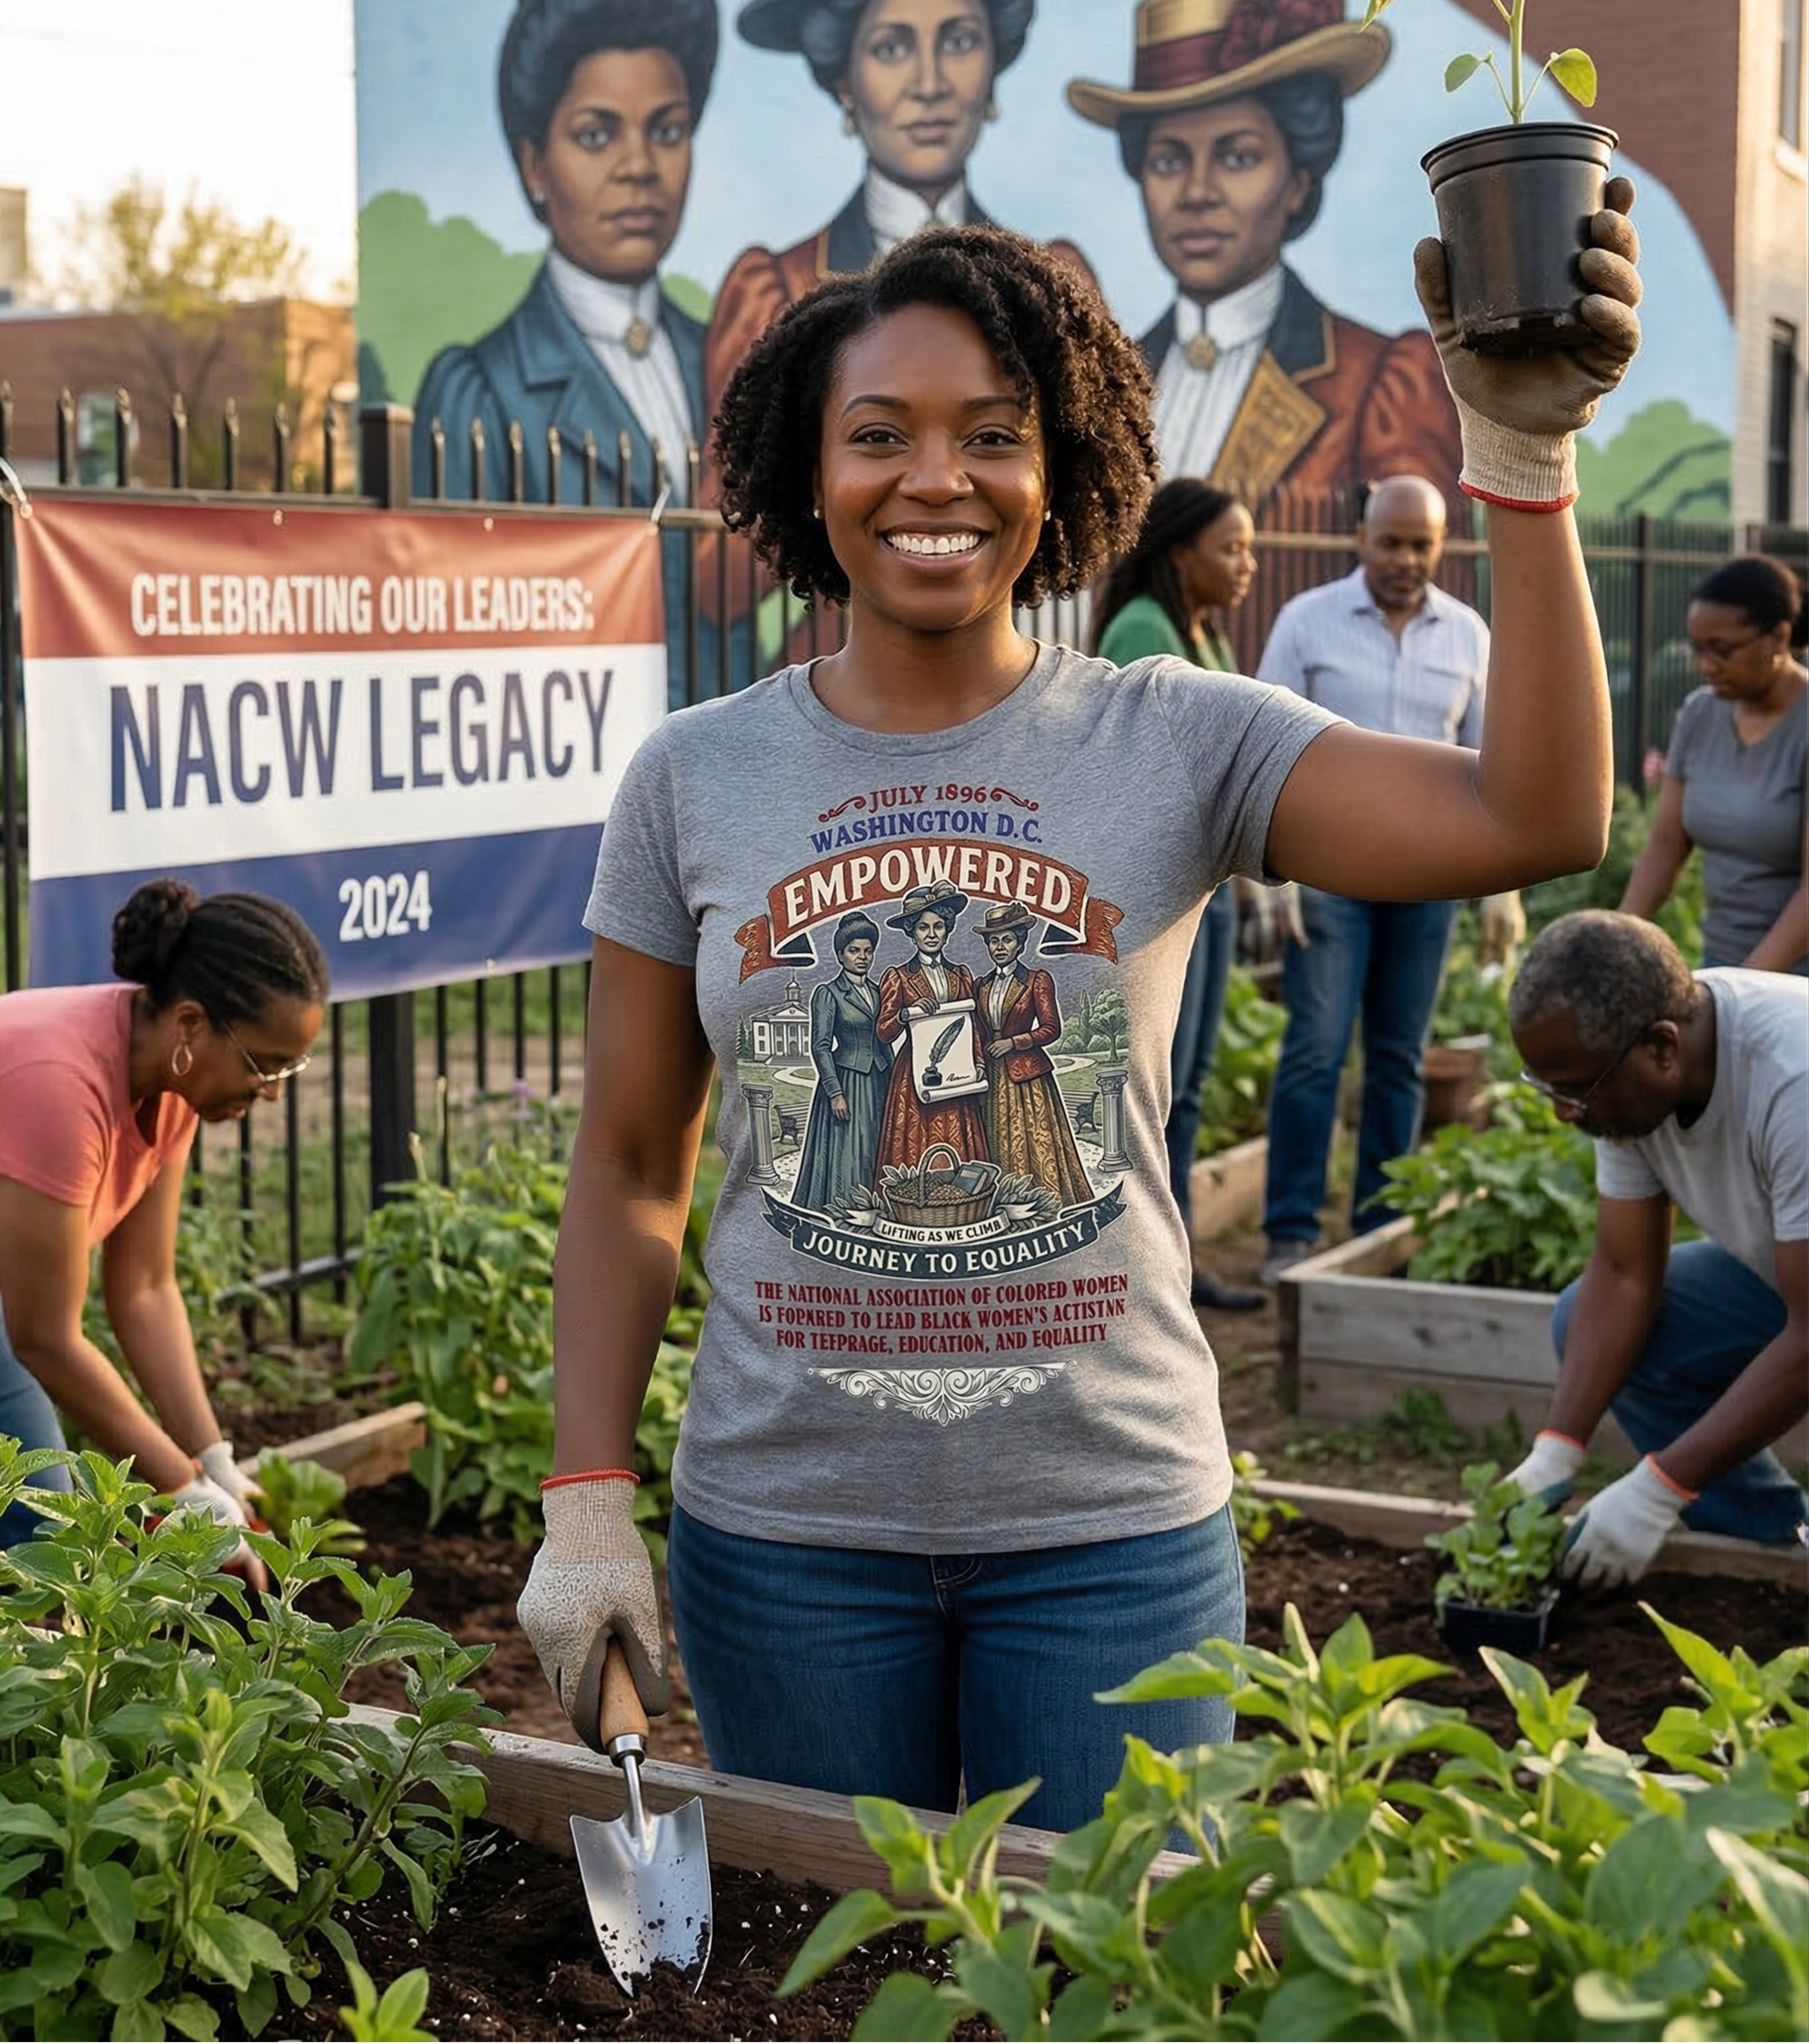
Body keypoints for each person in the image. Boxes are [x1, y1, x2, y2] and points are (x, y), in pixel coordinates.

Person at [516, 196, 1641, 1832]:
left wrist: (1521, 464)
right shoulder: (693, 778)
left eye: (992, 433)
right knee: (853, 1989)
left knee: (1120, 1986)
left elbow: (1534, 815)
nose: (936, 478)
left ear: (1063, 467)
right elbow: (629, 1158)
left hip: (1113, 1532)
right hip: (789, 1536)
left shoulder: (1173, 737)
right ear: (804, 466)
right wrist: (585, 1494)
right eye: (878, 434)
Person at [411, 0, 717, 703]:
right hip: (574, 803)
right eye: (594, 134)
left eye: (668, 128)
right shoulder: (478, 391)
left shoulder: (727, 357)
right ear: (533, 165)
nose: (638, 166)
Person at [0, 879, 328, 1565]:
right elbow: (44, 1337)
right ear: (190, 1025)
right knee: (36, 1529)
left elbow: (144, 1287)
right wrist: (183, 1487)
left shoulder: (172, 1083)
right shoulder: (57, 1087)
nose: (275, 1092)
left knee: (49, 1533)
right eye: (265, 1065)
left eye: (292, 1068)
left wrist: (211, 1459)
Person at [704, 0, 1092, 417]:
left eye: (959, 40)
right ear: (844, 80)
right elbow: (732, 506)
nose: (929, 82)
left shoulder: (1054, 287)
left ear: (996, 58)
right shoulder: (773, 294)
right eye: (891, 47)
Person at [1066, 0, 1462, 519]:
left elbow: (1425, 596)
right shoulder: (1119, 378)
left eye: (1237, 157)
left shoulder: (1376, 380)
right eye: (1169, 162)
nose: (1197, 193)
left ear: (1298, 180)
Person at [1504, 910, 1807, 1582]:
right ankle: (1773, 1548)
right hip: (1792, 1281)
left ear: (1662, 1048)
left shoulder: (1794, 1076)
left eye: (1575, 1087)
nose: (1564, 1111)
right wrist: (1557, 1448)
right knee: (1594, 1317)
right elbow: (1623, 1274)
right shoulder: (1634, 1078)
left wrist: (1661, 1484)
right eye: (1548, 1088)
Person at [1252, 478, 1504, 1276]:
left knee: (1400, 1056)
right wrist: (1271, 874)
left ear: (1442, 544)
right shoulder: (1307, 622)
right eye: (1389, 541)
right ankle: (1290, 1231)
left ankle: (1376, 1232)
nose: (1404, 559)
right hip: (1325, 878)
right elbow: (1259, 750)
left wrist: (1501, 886)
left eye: (1419, 544)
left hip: (1428, 885)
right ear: (1360, 536)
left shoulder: (1468, 635)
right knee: (1316, 1052)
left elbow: (1498, 773)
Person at [1092, 477, 1264, 1312]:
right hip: (1164, 903)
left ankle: (1178, 1264)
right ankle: (1148, 1270)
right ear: (1179, 549)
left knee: (1186, 1086)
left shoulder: (1201, 632)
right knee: (1153, 1091)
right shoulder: (1142, 631)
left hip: (1211, 895)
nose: (1247, 565)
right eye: (1231, 548)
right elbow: (1137, 781)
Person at [1619, 554, 1807, 975]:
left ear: (1779, 637)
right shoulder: (1700, 715)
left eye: (1722, 650)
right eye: (1698, 649)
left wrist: (1742, 989)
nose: (1705, 666)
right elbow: (1666, 847)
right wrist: (1618, 937)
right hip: (1723, 959)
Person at [971, 899, 1093, 1207]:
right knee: (997, 1140)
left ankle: (1043, 1205)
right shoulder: (980, 985)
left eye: (1007, 940)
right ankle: (1003, 1206)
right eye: (994, 941)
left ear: (1020, 943)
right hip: (992, 1075)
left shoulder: (1037, 980)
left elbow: (1051, 1029)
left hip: (1027, 1076)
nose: (1000, 947)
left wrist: (1014, 1043)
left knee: (1033, 1141)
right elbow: (975, 1031)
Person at [872, 883, 991, 1177]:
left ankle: (961, 1202)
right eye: (923, 927)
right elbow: (884, 1032)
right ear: (912, 932)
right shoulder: (898, 977)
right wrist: (904, 1014)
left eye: (938, 926)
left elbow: (970, 1025)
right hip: (914, 1072)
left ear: (948, 930)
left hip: (958, 1069)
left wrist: (977, 1063)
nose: (931, 934)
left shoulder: (960, 973)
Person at [790, 913, 892, 1213]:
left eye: (868, 950)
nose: (862, 957)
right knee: (849, 1151)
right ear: (839, 955)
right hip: (847, 1080)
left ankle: (876, 1210)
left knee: (876, 1146)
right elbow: (821, 1046)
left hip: (879, 1080)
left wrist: (897, 1080)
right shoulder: (828, 993)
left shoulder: (878, 991)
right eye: (854, 950)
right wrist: (835, 1092)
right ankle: (845, 1212)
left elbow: (884, 1040)